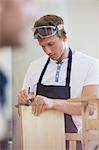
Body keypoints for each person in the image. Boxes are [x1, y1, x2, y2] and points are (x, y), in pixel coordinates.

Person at [18, 14, 99, 150]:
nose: (47, 51)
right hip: (39, 141)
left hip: (76, 142)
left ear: (65, 36)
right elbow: (24, 110)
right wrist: (23, 103)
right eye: (42, 46)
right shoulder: (34, 67)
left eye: (51, 44)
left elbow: (90, 108)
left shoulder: (90, 65)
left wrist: (52, 103)